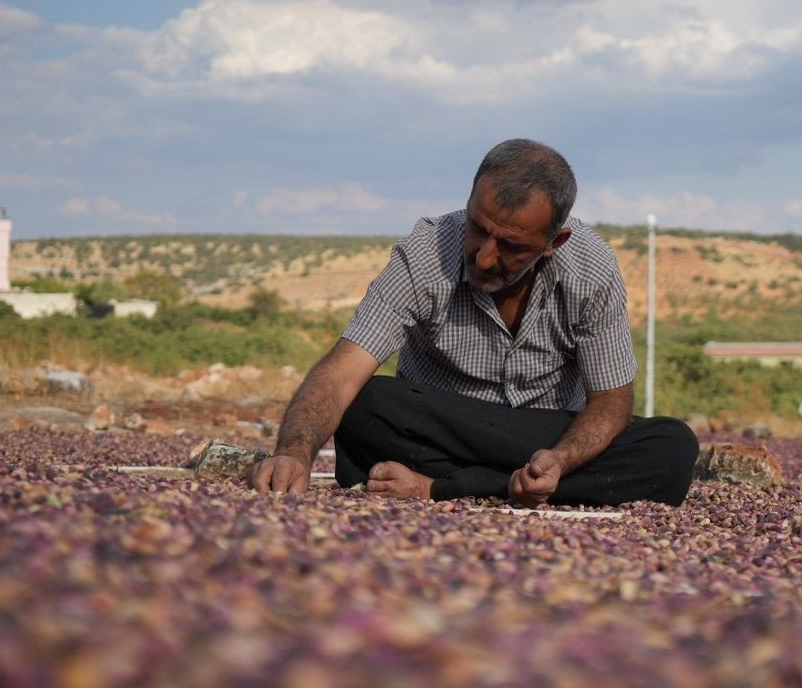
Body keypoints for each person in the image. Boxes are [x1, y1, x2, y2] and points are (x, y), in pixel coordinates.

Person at [249, 139, 697, 507]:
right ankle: (508, 486)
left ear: (553, 242)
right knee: (364, 403)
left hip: (544, 435)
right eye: (478, 229)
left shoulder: (590, 269)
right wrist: (294, 453)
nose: (484, 257)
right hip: (443, 428)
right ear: (468, 203)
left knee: (672, 447)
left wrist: (559, 458)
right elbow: (342, 370)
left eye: (511, 247)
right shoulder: (425, 254)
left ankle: (442, 488)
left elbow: (610, 403)